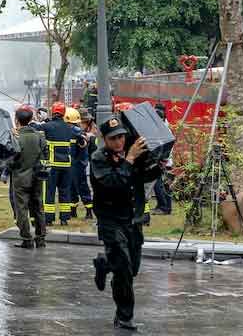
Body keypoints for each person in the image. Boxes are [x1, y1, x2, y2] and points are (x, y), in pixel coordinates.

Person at [91, 115, 160, 331]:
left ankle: (105, 263)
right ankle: (124, 317)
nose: (119, 142)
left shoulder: (133, 152)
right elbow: (114, 184)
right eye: (114, 138)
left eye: (121, 136)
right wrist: (129, 160)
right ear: (105, 139)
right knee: (123, 268)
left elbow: (146, 177)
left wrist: (156, 161)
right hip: (110, 219)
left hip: (133, 218)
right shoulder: (98, 159)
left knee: (132, 269)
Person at [10, 106, 48, 249]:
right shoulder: (40, 136)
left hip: (20, 178)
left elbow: (12, 158)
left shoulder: (17, 137)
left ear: (17, 120)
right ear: (31, 119)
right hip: (37, 177)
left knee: (22, 209)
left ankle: (27, 239)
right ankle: (41, 238)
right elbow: (45, 155)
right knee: (38, 208)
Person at [35, 102, 74, 226]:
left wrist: (40, 120)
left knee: (49, 192)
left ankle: (49, 218)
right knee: (65, 191)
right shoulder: (69, 127)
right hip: (66, 165)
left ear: (53, 112)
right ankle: (64, 218)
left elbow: (36, 128)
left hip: (52, 165)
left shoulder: (47, 126)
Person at [65, 107, 92, 219]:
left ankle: (89, 211)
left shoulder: (77, 132)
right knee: (71, 188)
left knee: (81, 187)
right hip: (72, 164)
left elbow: (82, 145)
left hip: (78, 164)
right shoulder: (73, 131)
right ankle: (73, 211)